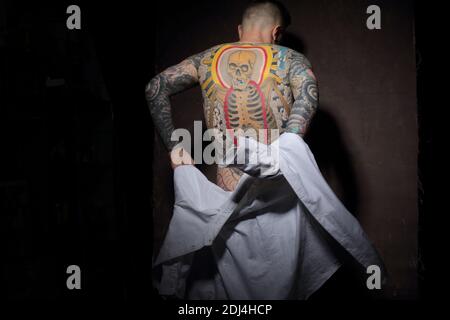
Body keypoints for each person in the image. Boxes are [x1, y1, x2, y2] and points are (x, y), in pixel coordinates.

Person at [147, 0, 385, 299]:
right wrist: (287, 146)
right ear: (277, 32)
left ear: (239, 29)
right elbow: (306, 100)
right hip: (280, 196)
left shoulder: (206, 60)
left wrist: (174, 146)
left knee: (230, 291)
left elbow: (155, 87)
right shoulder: (292, 60)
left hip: (225, 197)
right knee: (283, 286)